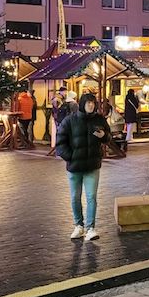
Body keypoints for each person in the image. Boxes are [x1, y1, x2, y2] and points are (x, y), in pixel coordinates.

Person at [55, 93, 109, 242]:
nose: (91, 105)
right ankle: (78, 225)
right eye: (88, 103)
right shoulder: (70, 120)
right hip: (74, 167)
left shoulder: (99, 119)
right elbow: (60, 142)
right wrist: (70, 157)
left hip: (92, 165)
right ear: (82, 104)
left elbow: (108, 136)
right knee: (75, 197)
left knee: (91, 197)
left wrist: (104, 136)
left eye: (93, 103)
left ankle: (90, 227)